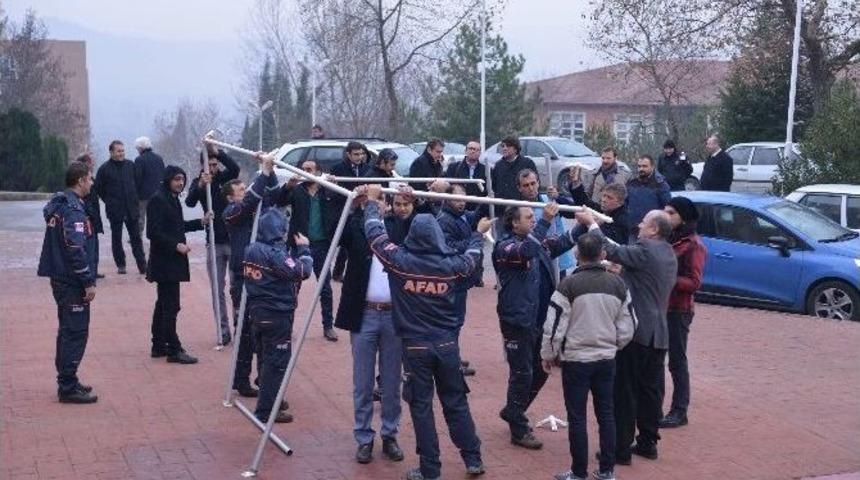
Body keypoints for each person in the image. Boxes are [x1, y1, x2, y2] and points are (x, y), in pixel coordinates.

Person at [364, 184, 489, 480]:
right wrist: (478, 233)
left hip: (416, 348)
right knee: (455, 402)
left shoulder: (400, 261)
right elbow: (472, 257)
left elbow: (375, 236)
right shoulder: (451, 266)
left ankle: (431, 469)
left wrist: (371, 204)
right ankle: (472, 459)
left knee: (422, 408)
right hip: (447, 345)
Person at [575, 209, 677, 464]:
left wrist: (592, 225)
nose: (639, 226)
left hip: (637, 333)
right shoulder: (668, 252)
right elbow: (643, 277)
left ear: (653, 229)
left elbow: (611, 249)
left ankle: (620, 448)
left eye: (644, 223)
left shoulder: (646, 249)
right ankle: (648, 442)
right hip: (659, 334)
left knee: (625, 391)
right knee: (650, 390)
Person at [541, 232, 636, 480]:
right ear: (603, 254)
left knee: (577, 416)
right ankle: (606, 470)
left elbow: (554, 326)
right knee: (606, 414)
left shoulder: (568, 286)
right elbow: (629, 325)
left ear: (576, 255)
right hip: (606, 358)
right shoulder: (618, 284)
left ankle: (579, 471)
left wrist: (548, 355)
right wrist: (614, 345)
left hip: (576, 359)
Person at [493, 202, 577, 450]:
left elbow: (561, 243)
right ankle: (518, 428)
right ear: (514, 223)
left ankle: (513, 410)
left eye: (534, 217)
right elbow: (527, 250)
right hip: (516, 320)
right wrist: (545, 222)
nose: (533, 220)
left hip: (539, 320)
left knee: (541, 370)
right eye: (529, 217)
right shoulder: (506, 247)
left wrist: (582, 226)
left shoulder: (536, 242)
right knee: (521, 373)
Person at [334, 188, 408, 465]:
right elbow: (334, 236)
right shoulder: (356, 226)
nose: (375, 206)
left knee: (391, 381)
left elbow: (419, 227)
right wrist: (352, 207)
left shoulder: (397, 228)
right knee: (362, 382)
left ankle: (390, 434)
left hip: (393, 316)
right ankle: (364, 437)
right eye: (372, 202)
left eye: (379, 201)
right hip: (363, 315)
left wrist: (419, 199)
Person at [243, 208, 313, 424]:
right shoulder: (275, 255)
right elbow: (302, 271)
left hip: (257, 313)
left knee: (265, 358)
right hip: (277, 315)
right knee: (276, 363)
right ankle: (266, 411)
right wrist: (304, 250)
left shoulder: (251, 249)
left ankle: (271, 399)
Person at [38, 161, 99, 404]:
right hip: (71, 281)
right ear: (81, 180)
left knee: (67, 330)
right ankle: (67, 385)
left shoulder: (60, 204)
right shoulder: (72, 209)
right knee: (75, 331)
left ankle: (69, 378)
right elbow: (75, 247)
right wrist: (87, 281)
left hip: (60, 278)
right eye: (90, 179)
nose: (92, 183)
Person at [222, 153, 280, 398]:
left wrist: (271, 170)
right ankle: (241, 379)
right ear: (230, 196)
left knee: (261, 328)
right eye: (240, 189)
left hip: (262, 275)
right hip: (243, 276)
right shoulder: (232, 211)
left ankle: (260, 378)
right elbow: (248, 203)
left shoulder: (256, 208)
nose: (245, 192)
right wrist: (263, 172)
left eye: (246, 188)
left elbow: (274, 193)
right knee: (246, 329)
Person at [146, 165, 211, 364]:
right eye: (176, 179)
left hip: (170, 261)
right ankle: (174, 349)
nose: (180, 183)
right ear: (168, 180)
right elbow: (153, 232)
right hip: (165, 262)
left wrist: (200, 222)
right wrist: (176, 246)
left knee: (163, 304)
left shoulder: (171, 199)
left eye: (182, 179)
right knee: (171, 306)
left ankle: (158, 344)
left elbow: (177, 225)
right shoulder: (158, 199)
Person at [276, 159, 339, 342]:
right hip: (299, 244)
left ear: (318, 171)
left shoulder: (326, 189)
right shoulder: (296, 190)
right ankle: (287, 326)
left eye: (309, 169)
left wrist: (334, 185)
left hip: (321, 244)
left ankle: (328, 326)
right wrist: (287, 186)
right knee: (293, 286)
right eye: (302, 169)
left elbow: (343, 202)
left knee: (325, 286)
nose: (305, 172)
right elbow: (279, 201)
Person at [659, 197, 707, 429]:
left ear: (684, 217)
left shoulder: (693, 244)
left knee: (677, 361)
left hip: (678, 309)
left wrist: (668, 278)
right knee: (655, 359)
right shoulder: (666, 239)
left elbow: (694, 282)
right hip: (659, 306)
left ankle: (679, 410)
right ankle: (654, 407)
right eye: (665, 211)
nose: (666, 216)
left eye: (671, 213)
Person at [186, 144, 240, 345]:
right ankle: (223, 330)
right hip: (214, 242)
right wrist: (201, 185)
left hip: (233, 240)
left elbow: (234, 169)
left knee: (237, 286)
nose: (214, 168)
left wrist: (219, 152)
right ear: (202, 166)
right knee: (217, 289)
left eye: (216, 164)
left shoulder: (225, 180)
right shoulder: (198, 183)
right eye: (210, 165)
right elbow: (190, 202)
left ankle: (239, 324)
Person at [436, 184, 492, 376]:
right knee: (452, 322)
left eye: (463, 198)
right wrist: (475, 237)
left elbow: (473, 216)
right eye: (457, 199)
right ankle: (450, 362)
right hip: (453, 279)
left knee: (456, 322)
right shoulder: (445, 220)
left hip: (460, 279)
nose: (461, 203)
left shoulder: (459, 216)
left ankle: (453, 357)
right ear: (448, 199)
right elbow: (448, 247)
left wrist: (486, 200)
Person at [94, 140, 146, 275]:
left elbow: (138, 183)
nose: (121, 153)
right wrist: (109, 200)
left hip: (131, 207)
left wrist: (134, 197)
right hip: (115, 209)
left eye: (123, 150)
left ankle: (142, 265)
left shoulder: (131, 165)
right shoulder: (104, 169)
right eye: (118, 151)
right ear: (111, 152)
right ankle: (121, 264)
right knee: (116, 238)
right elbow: (99, 188)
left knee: (136, 237)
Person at [518, 169, 575, 277]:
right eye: (525, 185)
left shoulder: (549, 200)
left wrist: (558, 197)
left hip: (557, 257)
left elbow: (572, 212)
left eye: (533, 183)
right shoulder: (518, 208)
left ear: (538, 183)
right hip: (535, 259)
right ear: (519, 188)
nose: (530, 188)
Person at [330, 141, 371, 282]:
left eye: (361, 154)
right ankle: (334, 270)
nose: (360, 157)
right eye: (356, 154)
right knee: (341, 242)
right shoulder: (337, 169)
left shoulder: (367, 168)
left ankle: (346, 271)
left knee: (353, 242)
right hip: (343, 209)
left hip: (360, 210)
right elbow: (333, 191)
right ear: (348, 154)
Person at [565, 181, 630, 246]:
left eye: (609, 198)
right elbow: (587, 204)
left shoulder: (622, 221)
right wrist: (576, 184)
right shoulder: (606, 210)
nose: (604, 200)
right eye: (604, 196)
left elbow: (608, 243)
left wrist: (592, 223)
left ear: (620, 203)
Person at [625, 155, 672, 239]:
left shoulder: (660, 184)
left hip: (652, 232)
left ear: (652, 167)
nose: (641, 169)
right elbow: (625, 203)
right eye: (639, 166)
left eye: (644, 166)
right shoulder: (632, 182)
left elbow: (667, 207)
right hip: (633, 230)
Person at [489, 136, 537, 217]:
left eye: (508, 146)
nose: (504, 148)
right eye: (503, 146)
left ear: (516, 149)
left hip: (522, 210)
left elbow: (535, 184)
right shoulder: (498, 165)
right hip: (502, 211)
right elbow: (494, 186)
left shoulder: (527, 163)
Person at [76, 153, 105, 279]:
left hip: (94, 216)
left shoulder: (90, 178)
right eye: (89, 162)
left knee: (94, 246)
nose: (92, 164)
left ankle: (94, 270)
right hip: (87, 217)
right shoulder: (81, 179)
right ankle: (88, 273)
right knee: (87, 246)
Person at [133, 136, 165, 233]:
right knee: (156, 217)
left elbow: (137, 178)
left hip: (143, 195)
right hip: (158, 193)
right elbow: (163, 175)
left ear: (140, 148)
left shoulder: (139, 160)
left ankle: (138, 236)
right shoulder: (159, 158)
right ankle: (157, 235)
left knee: (140, 218)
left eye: (137, 148)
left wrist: (135, 193)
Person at [445, 140, 487, 207]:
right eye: (471, 148)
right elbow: (448, 188)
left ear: (480, 153)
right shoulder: (453, 167)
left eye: (477, 150)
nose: (473, 151)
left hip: (478, 208)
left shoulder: (486, 170)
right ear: (465, 151)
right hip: (457, 207)